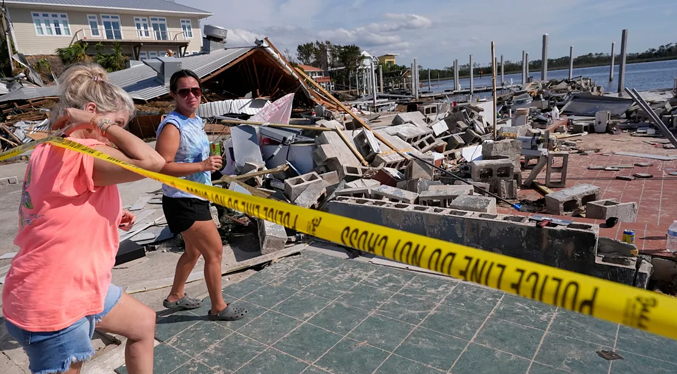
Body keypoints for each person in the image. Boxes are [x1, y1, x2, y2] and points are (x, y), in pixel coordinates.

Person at [2, 64, 166, 374]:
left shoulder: (48, 147)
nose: (118, 134)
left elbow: (49, 204)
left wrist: (109, 215)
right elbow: (152, 161)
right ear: (91, 112)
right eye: (116, 123)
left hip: (61, 284)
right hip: (56, 300)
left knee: (143, 323)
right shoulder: (86, 152)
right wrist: (97, 123)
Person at [155, 69, 247, 321]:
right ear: (173, 94)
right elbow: (162, 166)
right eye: (184, 91)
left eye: (195, 90)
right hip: (182, 200)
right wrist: (202, 166)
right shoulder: (172, 126)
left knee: (194, 251)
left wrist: (208, 166)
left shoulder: (194, 120)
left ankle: (175, 295)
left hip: (196, 196)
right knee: (214, 252)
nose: (191, 96)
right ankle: (218, 307)